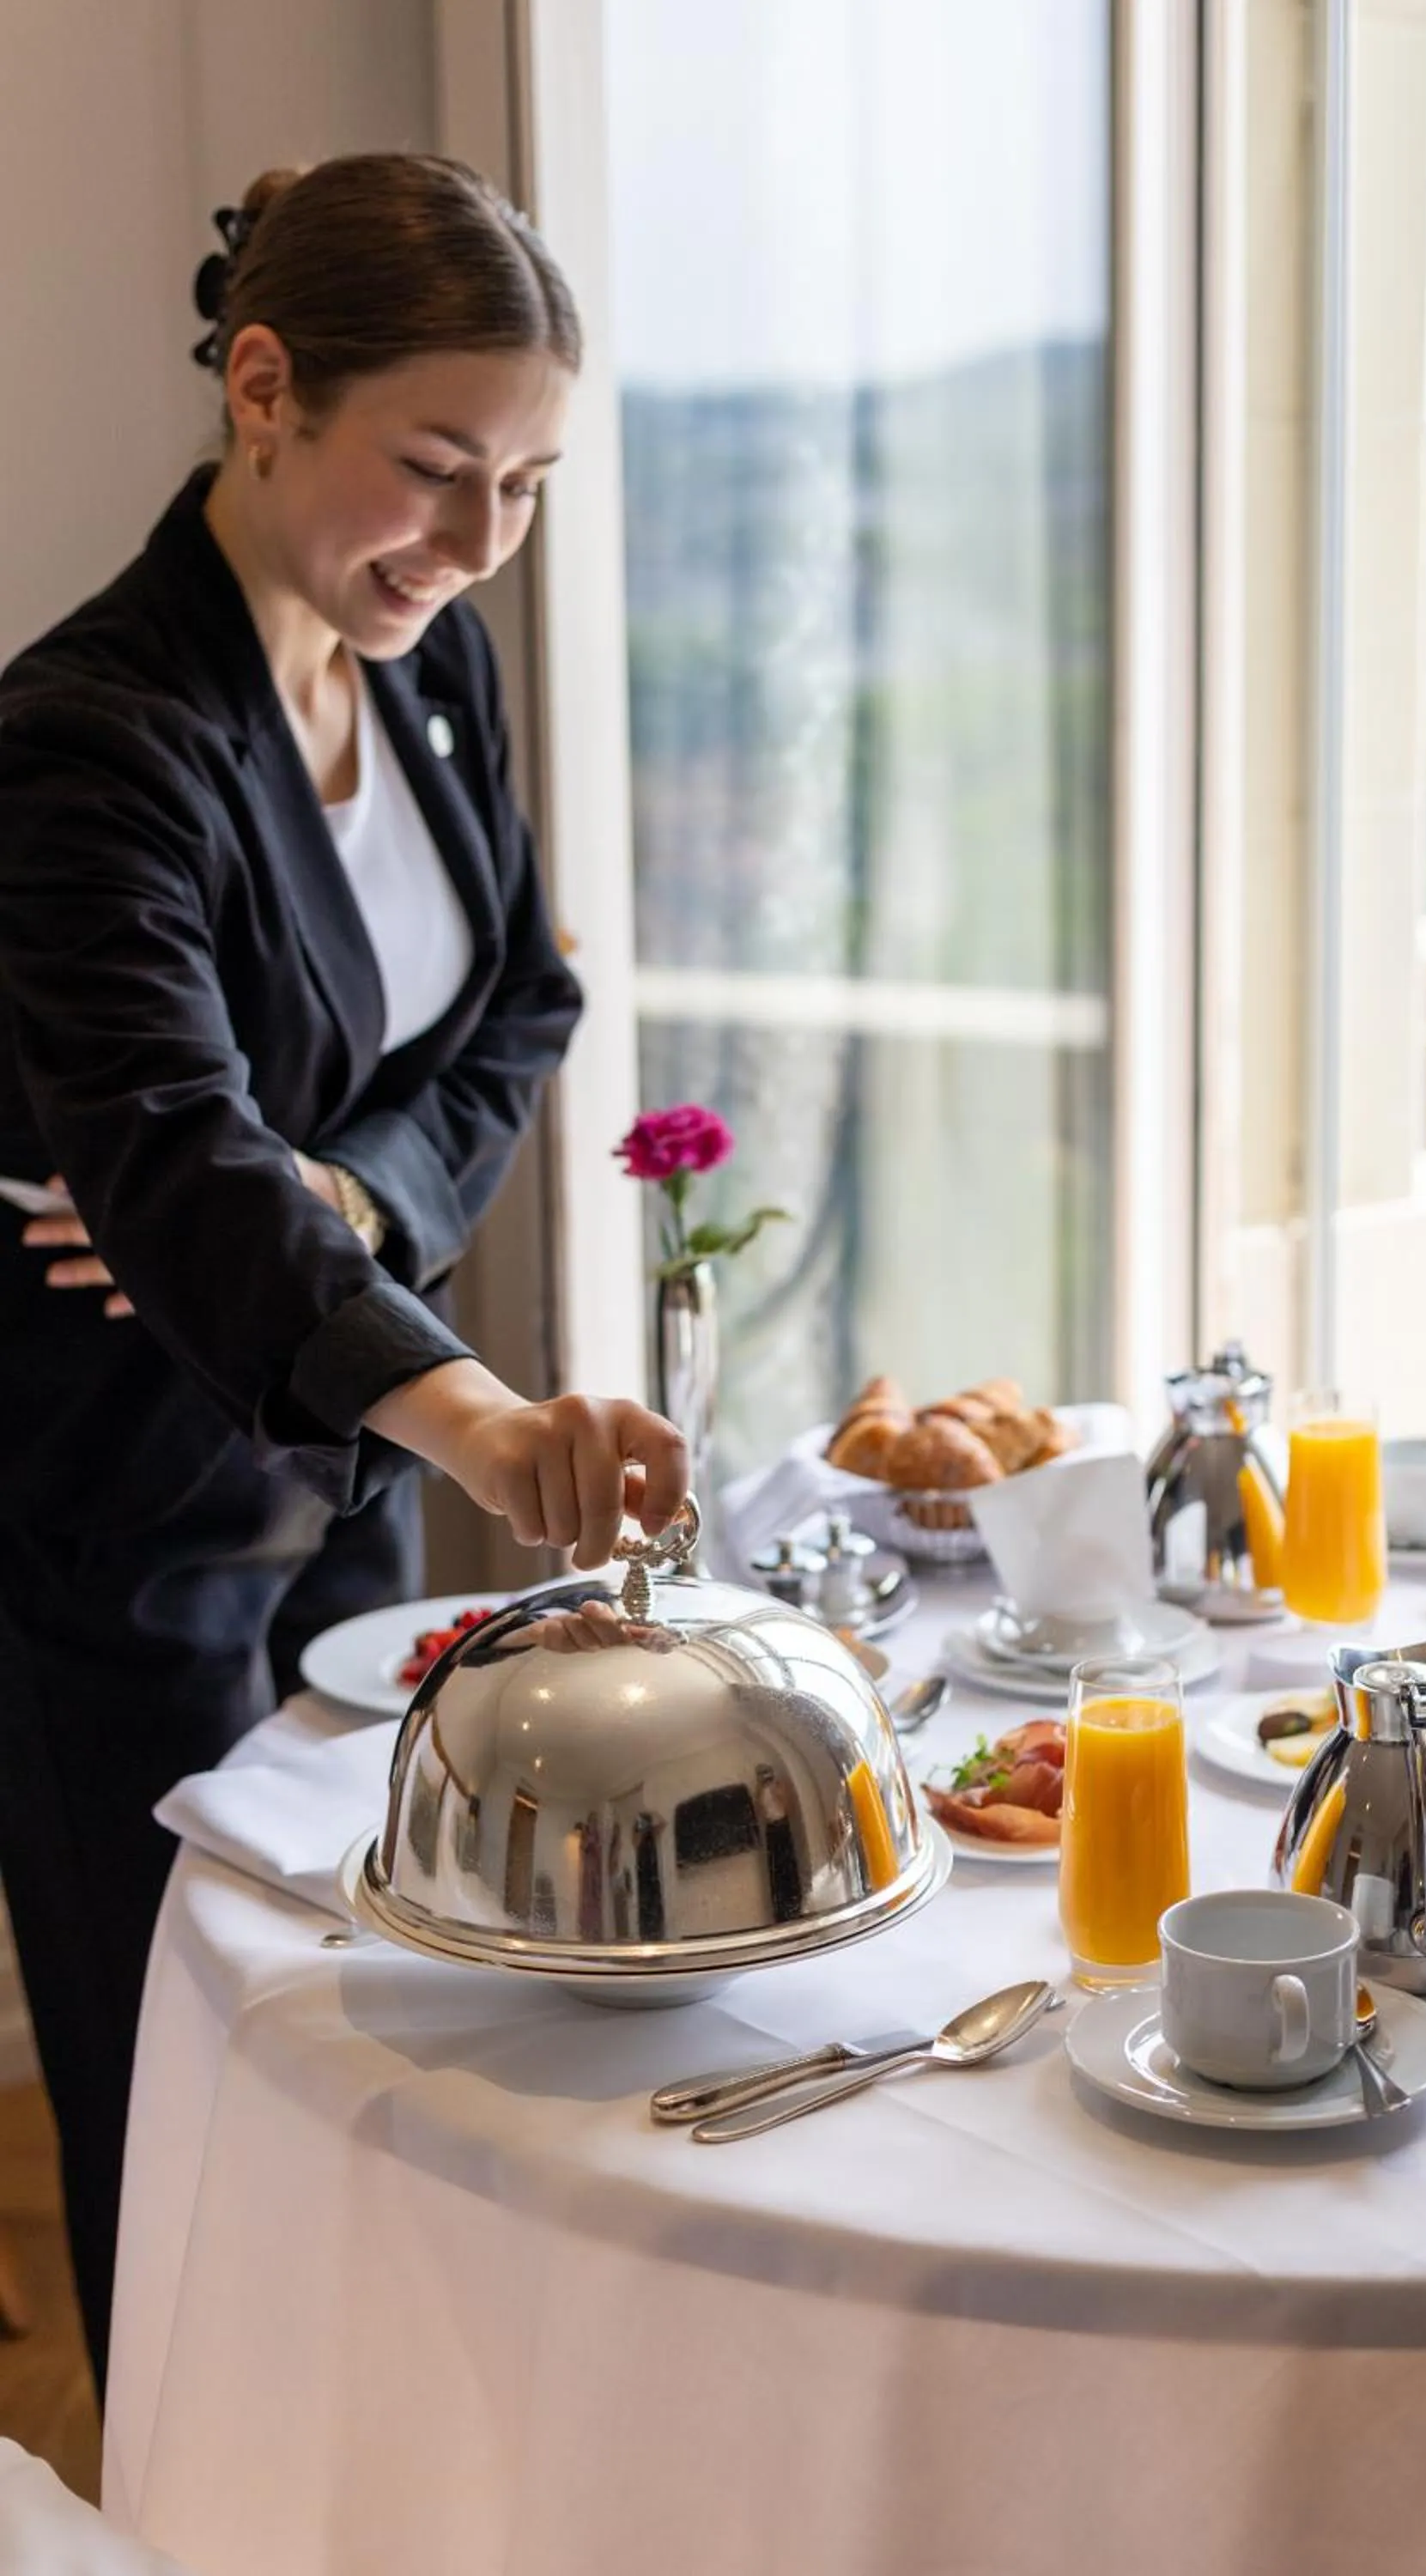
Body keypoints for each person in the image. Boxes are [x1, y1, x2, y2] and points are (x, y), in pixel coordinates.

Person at [0, 153, 686, 2392]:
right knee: (183, 2112)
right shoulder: (88, 737)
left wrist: (362, 1199)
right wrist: (479, 1414)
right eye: (439, 465)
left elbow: (521, 1009)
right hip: (126, 1539)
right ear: (266, 389)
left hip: (348, 1506)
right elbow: (181, 1159)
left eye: (530, 485)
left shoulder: (434, 670)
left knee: (391, 2061)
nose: (478, 543)